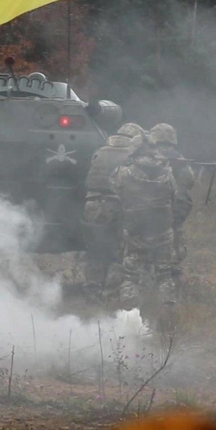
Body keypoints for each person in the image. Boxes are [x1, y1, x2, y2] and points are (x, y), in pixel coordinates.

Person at [109, 125, 177, 336]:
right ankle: (167, 315)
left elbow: (114, 189)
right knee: (164, 275)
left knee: (130, 276)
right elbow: (174, 196)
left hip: (135, 233)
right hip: (162, 233)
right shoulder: (167, 172)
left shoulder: (124, 173)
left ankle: (130, 320)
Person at [81, 123, 146, 306]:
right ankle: (111, 293)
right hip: (117, 204)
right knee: (118, 252)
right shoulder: (132, 155)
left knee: (94, 251)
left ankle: (92, 292)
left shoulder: (99, 152)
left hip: (92, 204)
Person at [149, 123, 196, 289]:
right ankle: (172, 287)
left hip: (149, 211)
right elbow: (189, 180)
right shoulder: (179, 158)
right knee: (174, 249)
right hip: (175, 211)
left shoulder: (147, 155)